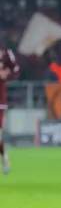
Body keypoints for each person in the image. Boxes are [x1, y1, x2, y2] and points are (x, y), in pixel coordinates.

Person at [0, 47, 21, 175]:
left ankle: (5, 159)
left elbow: (16, 69)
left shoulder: (5, 53)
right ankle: (5, 159)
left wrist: (6, 73)